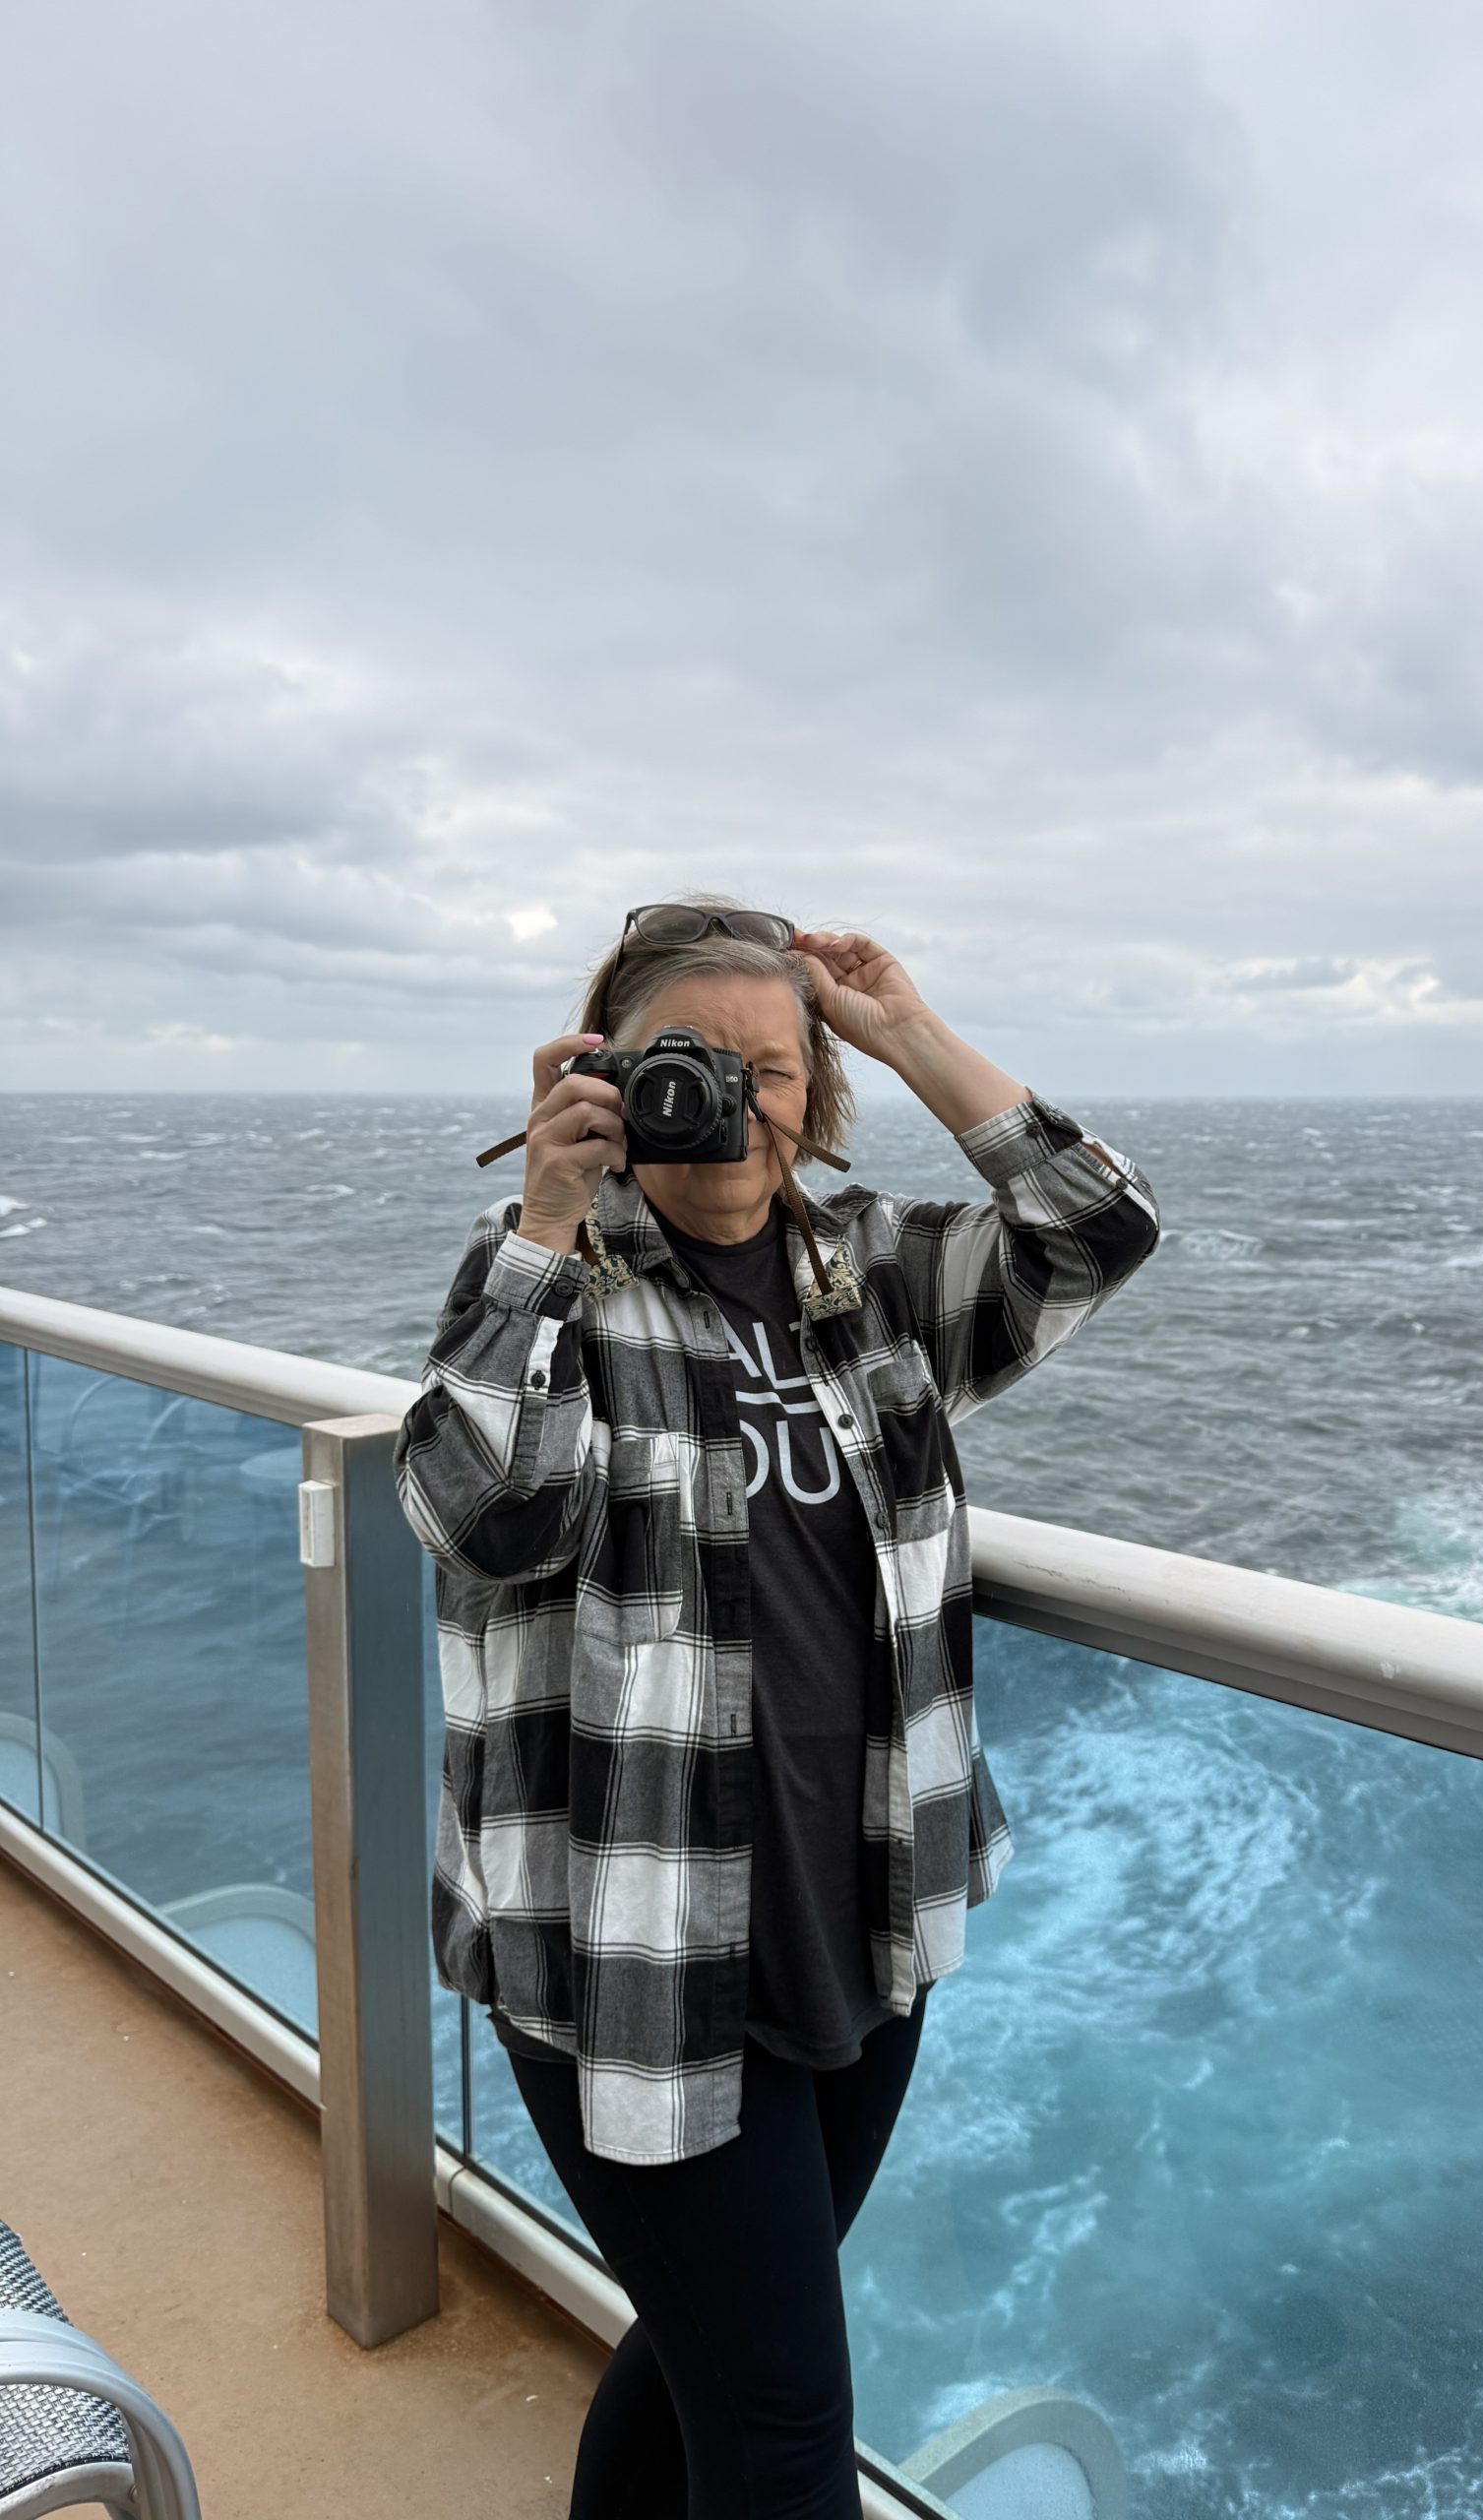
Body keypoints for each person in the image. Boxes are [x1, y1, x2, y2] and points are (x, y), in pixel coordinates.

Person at [394, 898, 1160, 2520]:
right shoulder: (560, 1290)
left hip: (859, 1917)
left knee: (709, 2358)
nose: (738, 1105)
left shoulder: (873, 1266)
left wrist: (907, 1030)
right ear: (604, 1073)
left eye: (777, 1069)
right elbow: (478, 1512)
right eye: (694, 1063)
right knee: (791, 2420)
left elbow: (1099, 1234)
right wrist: (544, 1211)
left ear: (819, 1092)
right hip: (636, 1950)